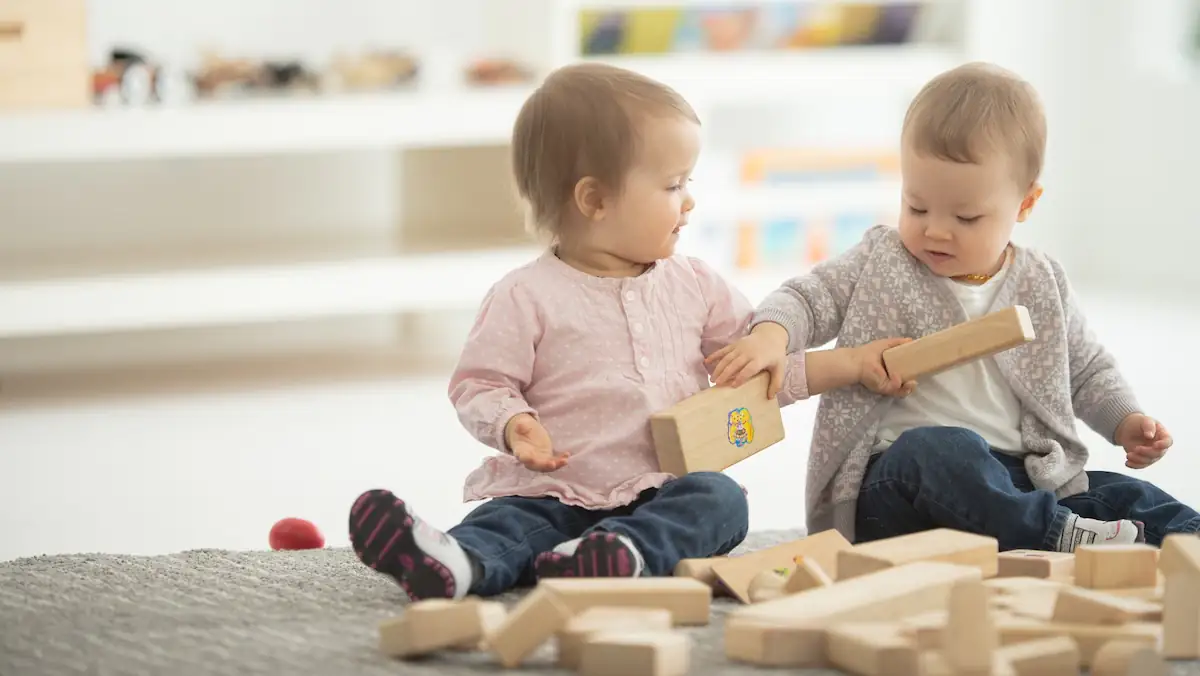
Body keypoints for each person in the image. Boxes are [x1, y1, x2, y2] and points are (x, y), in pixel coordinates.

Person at [346, 62, 912, 601]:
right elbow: (479, 383)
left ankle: (620, 555)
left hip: (662, 493)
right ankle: (454, 563)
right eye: (672, 185)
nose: (689, 201)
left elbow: (762, 371)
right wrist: (515, 424)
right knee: (504, 524)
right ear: (594, 199)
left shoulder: (695, 285)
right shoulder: (525, 295)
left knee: (720, 502)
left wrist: (854, 364)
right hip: (553, 493)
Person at [708, 62, 1194, 553]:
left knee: (1123, 493)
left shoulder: (1041, 280)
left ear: (1025, 205)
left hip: (1021, 476)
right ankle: (1054, 533)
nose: (935, 230)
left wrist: (1126, 420)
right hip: (898, 483)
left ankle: (1172, 538)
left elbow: (1087, 369)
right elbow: (805, 298)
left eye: (965, 217)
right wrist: (771, 334)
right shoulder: (881, 261)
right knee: (943, 450)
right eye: (916, 207)